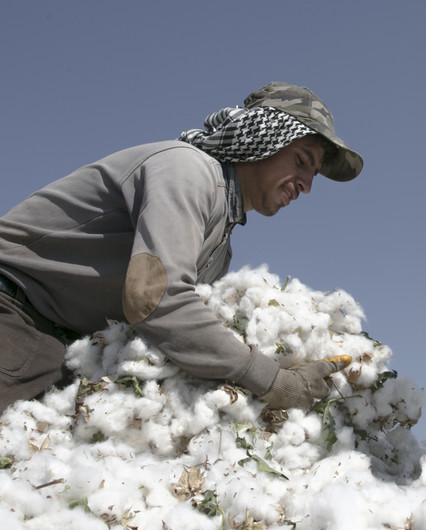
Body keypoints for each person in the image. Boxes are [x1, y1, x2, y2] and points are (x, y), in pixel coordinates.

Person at [0, 82, 361, 413]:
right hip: (15, 313)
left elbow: (176, 328)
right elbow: (155, 299)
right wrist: (273, 379)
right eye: (302, 161)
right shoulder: (187, 171)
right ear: (261, 139)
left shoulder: (221, 244)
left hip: (61, 347)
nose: (306, 185)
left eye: (313, 174)